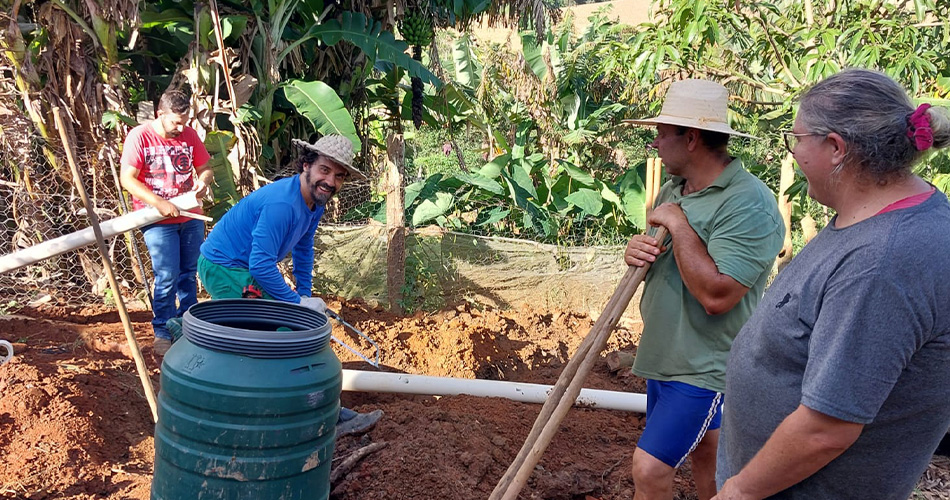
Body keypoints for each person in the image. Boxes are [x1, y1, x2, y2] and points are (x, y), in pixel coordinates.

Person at [714, 69, 950, 500]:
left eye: (797, 138)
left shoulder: (884, 262)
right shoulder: (872, 217)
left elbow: (827, 429)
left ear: (836, 147)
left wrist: (741, 490)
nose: (795, 152)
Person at [622, 80, 784, 500]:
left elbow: (718, 295)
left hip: (704, 366)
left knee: (650, 469)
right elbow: (671, 260)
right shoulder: (675, 189)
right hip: (665, 355)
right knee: (708, 456)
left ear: (691, 138)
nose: (655, 142)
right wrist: (638, 248)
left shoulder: (748, 203)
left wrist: (676, 223)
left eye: (662, 132)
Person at [198, 134, 382, 436]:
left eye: (339, 176)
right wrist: (296, 305)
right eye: (324, 170)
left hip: (247, 268)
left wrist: (305, 296)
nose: (330, 181)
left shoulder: (315, 202)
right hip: (225, 267)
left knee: (293, 326)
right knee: (279, 335)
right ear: (306, 165)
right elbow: (260, 264)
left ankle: (323, 413)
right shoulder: (282, 205)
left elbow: (304, 248)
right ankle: (291, 415)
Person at [120, 90, 213, 357]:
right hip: (157, 220)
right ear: (160, 115)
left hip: (190, 216)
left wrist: (203, 182)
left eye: (185, 121)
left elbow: (206, 167)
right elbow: (128, 179)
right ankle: (162, 329)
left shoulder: (189, 134)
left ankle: (187, 327)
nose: (181, 127)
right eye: (176, 122)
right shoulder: (139, 137)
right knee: (166, 276)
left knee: (188, 274)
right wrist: (159, 203)